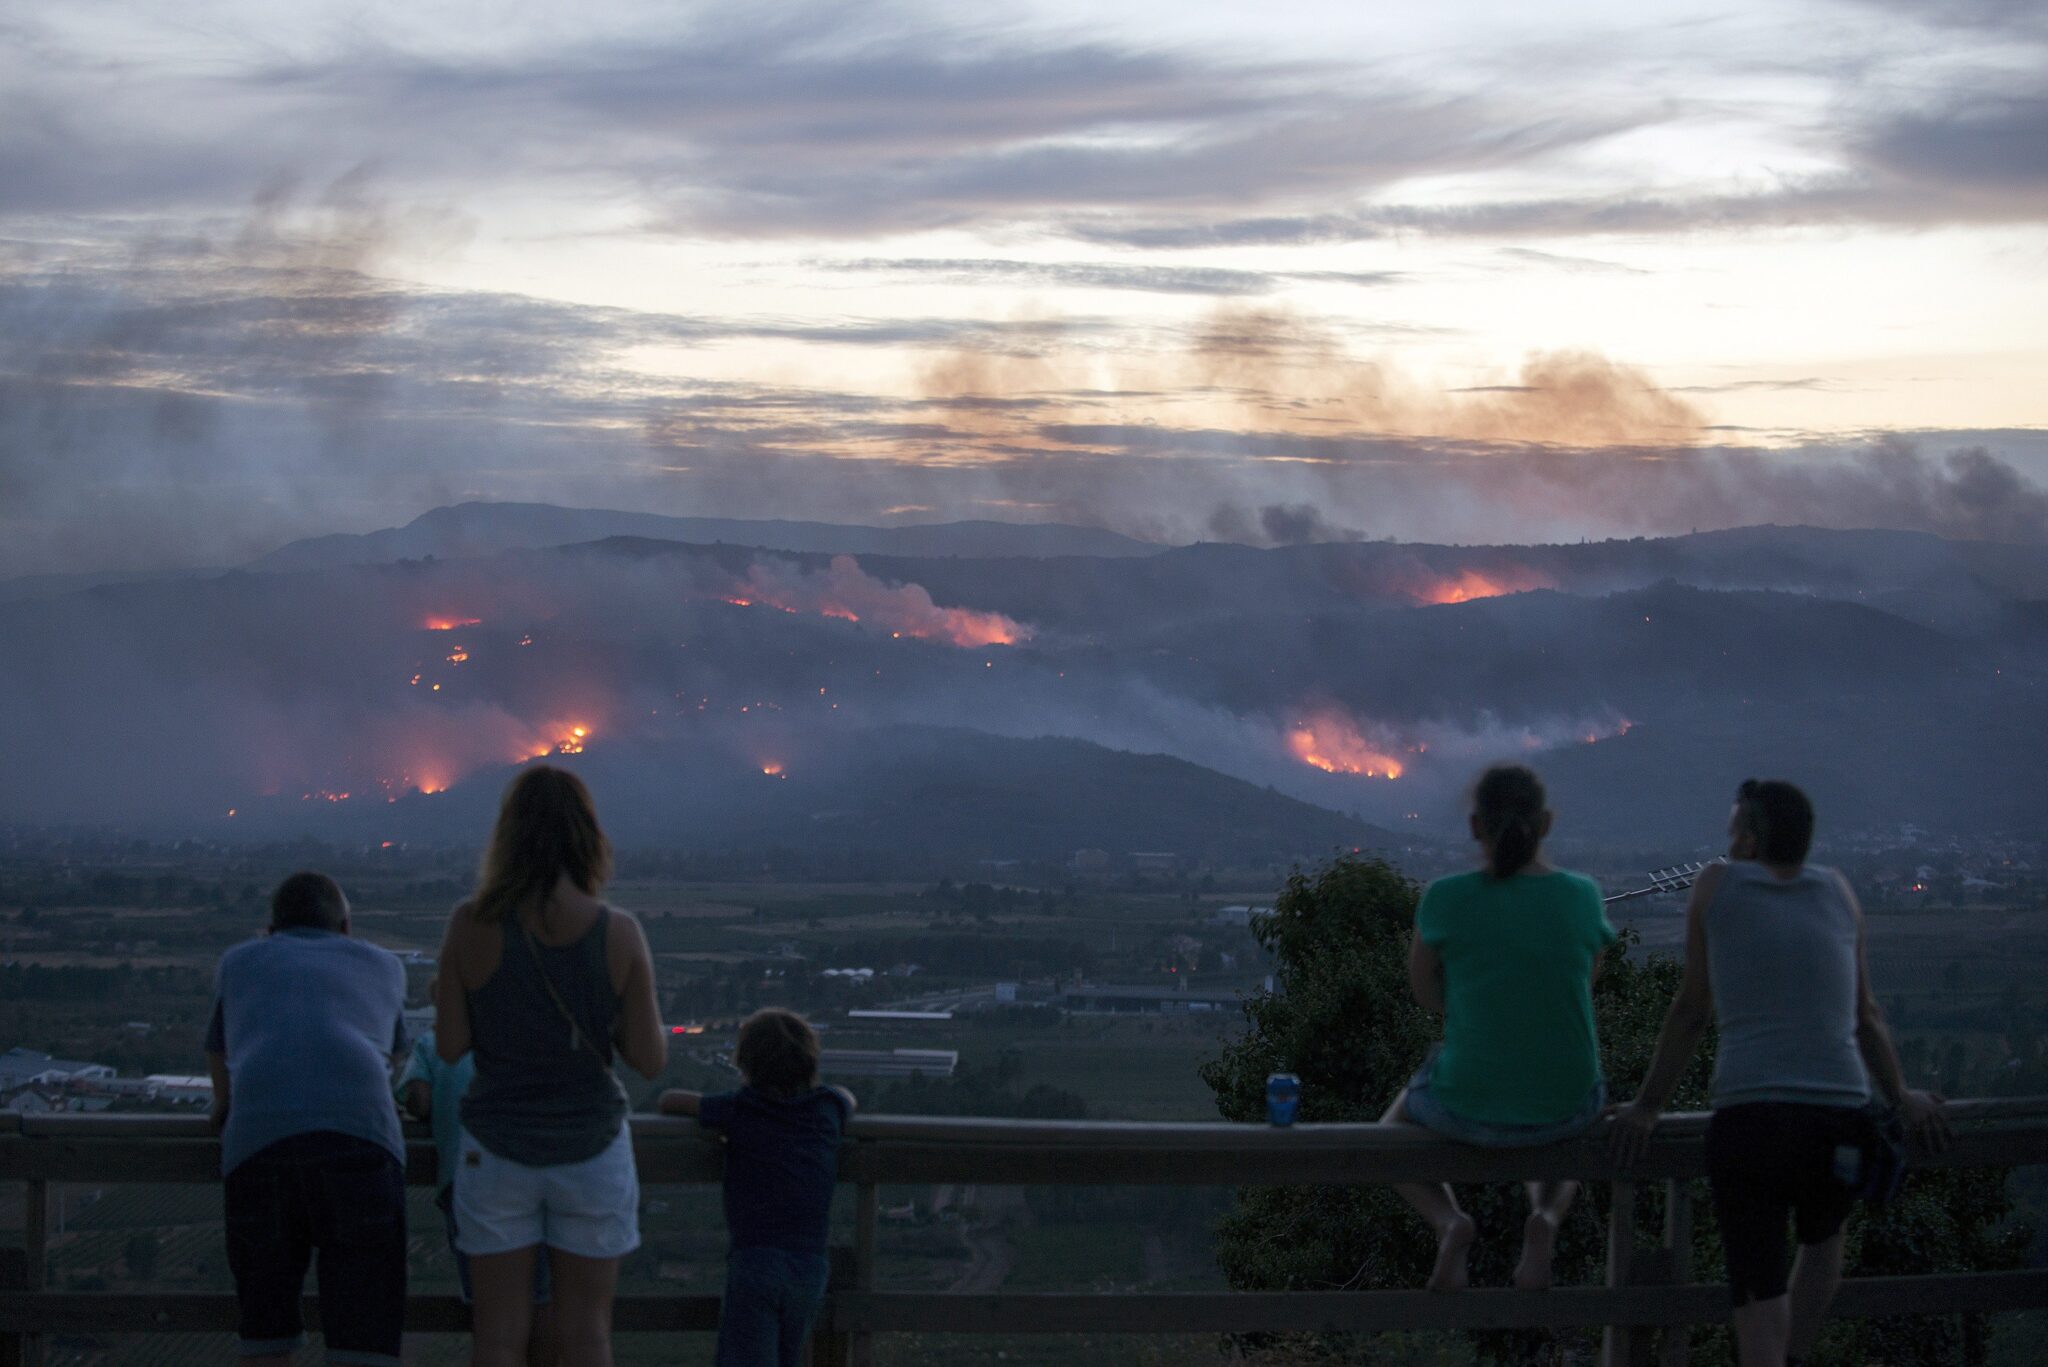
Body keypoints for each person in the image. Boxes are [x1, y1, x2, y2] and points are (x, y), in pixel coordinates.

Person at [1608, 779, 1950, 1367]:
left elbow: (1691, 1010)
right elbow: (1865, 1015)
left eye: (1734, 825)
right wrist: (1900, 1094)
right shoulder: (1839, 891)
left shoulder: (1716, 884)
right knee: (1822, 1243)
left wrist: (1646, 1108)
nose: (1727, 836)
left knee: (1757, 1283)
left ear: (1750, 837)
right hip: (1841, 1117)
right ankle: (1793, 1356)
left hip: (1753, 1120)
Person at [435, 766, 668, 1367]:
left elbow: (451, 1046)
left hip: (496, 1149)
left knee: (498, 1337)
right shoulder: (618, 932)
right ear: (587, 836)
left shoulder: (470, 925)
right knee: (587, 1333)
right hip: (591, 1148)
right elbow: (648, 1058)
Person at [1381, 764, 1617, 1293]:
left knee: (1386, 1136)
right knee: (1562, 1106)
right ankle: (1546, 1219)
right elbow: (1585, 980)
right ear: (1547, 823)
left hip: (1466, 1104)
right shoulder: (1583, 895)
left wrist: (1474, 1005)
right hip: (1565, 1105)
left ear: (1475, 827)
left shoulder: (1445, 897)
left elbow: (1425, 996)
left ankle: (1449, 1221)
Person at [205, 871, 409, 1367]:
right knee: (364, 1341)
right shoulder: (384, 965)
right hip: (362, 1148)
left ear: (272, 930)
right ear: (346, 927)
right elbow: (397, 1055)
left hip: (260, 1150)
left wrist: (225, 1103)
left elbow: (219, 1050)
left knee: (265, 1335)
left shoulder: (239, 962)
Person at [659, 1009, 857, 1367]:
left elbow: (669, 1100)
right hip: (809, 1265)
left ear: (747, 1064)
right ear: (809, 1062)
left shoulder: (740, 1109)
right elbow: (847, 1098)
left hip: (756, 1262)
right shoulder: (827, 1108)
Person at [397, 976, 558, 1366]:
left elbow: (417, 1099)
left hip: (468, 1184)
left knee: (488, 1313)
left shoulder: (433, 1045)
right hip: (531, 1181)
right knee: (539, 1300)